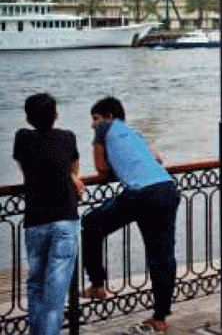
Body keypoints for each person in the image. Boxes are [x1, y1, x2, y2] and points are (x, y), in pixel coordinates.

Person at [81, 97, 179, 333]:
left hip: (140, 194)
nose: (93, 125)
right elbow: (156, 159)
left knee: (91, 223)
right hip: (167, 188)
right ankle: (160, 317)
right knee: (162, 256)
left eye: (95, 119)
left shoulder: (104, 128)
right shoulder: (135, 133)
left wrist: (113, 165)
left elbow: (101, 169)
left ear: (108, 116)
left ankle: (96, 284)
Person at [13, 93, 84, 335]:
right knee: (55, 293)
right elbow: (74, 170)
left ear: (27, 118)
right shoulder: (67, 137)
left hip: (36, 221)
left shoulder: (22, 138)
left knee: (36, 286)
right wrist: (72, 177)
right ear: (56, 115)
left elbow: (25, 170)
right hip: (65, 219)